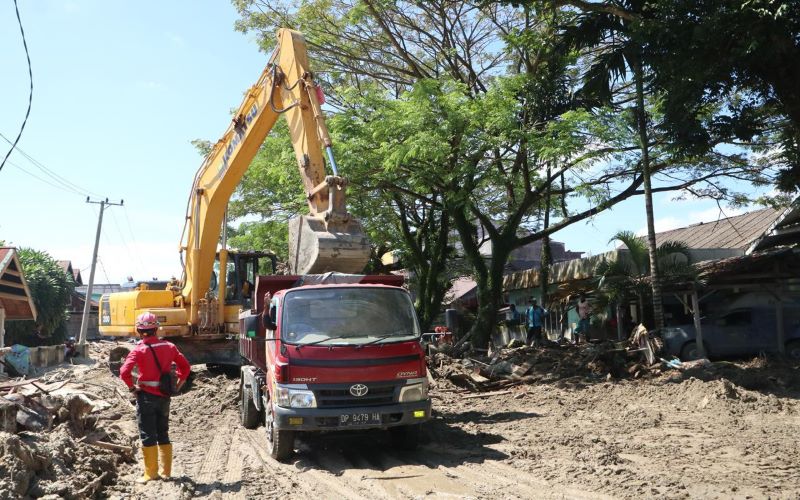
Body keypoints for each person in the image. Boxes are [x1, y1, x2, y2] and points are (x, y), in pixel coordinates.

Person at [120, 312, 191, 483]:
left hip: (145, 397)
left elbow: (124, 372)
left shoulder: (139, 350)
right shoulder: (169, 347)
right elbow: (186, 368)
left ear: (139, 331)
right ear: (156, 329)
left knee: (147, 434)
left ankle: (151, 473)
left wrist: (132, 388)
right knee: (163, 432)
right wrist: (178, 385)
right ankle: (166, 472)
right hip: (165, 396)